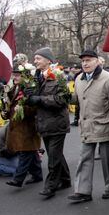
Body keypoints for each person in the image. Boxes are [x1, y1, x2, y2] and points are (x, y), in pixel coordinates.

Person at [67, 50, 109, 202]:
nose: (85, 63)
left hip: (105, 125)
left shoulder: (108, 78)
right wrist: (64, 95)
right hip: (86, 125)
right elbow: (76, 100)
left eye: (88, 60)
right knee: (84, 158)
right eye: (83, 61)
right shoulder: (79, 79)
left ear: (97, 61)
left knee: (107, 160)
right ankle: (82, 191)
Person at [25, 47, 71, 198]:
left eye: (38, 58)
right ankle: (65, 179)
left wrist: (40, 99)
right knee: (55, 154)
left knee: (53, 157)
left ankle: (50, 186)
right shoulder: (36, 76)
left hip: (57, 122)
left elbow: (63, 100)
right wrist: (29, 97)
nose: (35, 61)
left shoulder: (59, 75)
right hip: (43, 123)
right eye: (35, 58)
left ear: (48, 60)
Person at [3, 64, 43, 188]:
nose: (14, 77)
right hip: (17, 125)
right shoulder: (14, 88)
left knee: (25, 152)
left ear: (24, 76)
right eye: (13, 75)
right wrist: (6, 112)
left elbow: (34, 108)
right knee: (29, 151)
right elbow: (10, 105)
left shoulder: (30, 88)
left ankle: (18, 178)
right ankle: (37, 174)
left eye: (17, 75)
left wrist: (22, 109)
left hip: (27, 126)